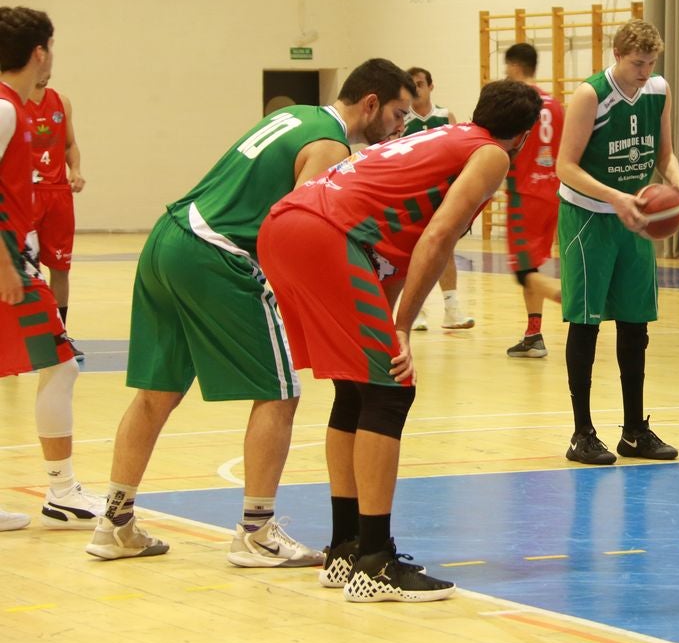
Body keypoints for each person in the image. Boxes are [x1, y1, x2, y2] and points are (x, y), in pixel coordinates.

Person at [84, 59, 414, 567]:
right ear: (370, 103)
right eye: (397, 113)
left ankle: (115, 521)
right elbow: (302, 229)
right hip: (218, 252)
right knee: (279, 392)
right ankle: (257, 532)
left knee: (156, 394)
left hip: (168, 239)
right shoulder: (331, 146)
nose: (400, 126)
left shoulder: (298, 116)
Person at [258, 79, 540, 603]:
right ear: (523, 136)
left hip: (284, 225)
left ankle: (345, 551)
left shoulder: (443, 137)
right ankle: (376, 561)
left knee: (356, 387)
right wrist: (403, 327)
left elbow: (393, 251)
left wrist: (389, 322)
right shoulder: (491, 155)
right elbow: (436, 239)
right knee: (391, 388)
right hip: (325, 234)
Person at [556, 19, 679, 465]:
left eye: (651, 63)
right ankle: (581, 433)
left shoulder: (657, 90)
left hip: (635, 220)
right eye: (637, 62)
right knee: (586, 323)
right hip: (588, 217)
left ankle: (634, 430)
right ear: (617, 55)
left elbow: (664, 155)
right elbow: (566, 166)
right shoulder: (590, 94)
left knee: (636, 324)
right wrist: (616, 197)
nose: (644, 70)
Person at [0, 6, 103, 532]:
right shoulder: (5, 109)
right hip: (7, 261)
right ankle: (62, 492)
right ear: (39, 53)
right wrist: (5, 262)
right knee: (61, 366)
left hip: (16, 250)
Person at [502, 43, 565, 358]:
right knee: (534, 265)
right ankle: (533, 334)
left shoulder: (514, 102)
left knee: (523, 270)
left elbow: (502, 145)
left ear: (514, 67)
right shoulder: (555, 105)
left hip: (523, 191)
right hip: (554, 192)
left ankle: (572, 298)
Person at [399, 66, 474, 330]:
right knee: (410, 251)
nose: (417, 89)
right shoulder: (402, 120)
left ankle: (452, 309)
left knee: (445, 248)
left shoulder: (444, 116)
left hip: (441, 193)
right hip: (411, 193)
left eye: (420, 83)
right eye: (412, 84)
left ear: (431, 86)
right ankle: (415, 310)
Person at [26, 76, 85, 359]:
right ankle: (21, 338)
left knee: (61, 268)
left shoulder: (61, 101)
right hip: (24, 194)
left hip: (58, 195)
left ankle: (58, 337)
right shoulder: (10, 103)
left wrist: (75, 170)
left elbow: (70, 145)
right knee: (23, 270)